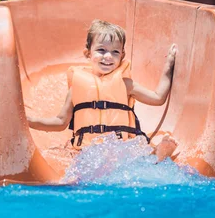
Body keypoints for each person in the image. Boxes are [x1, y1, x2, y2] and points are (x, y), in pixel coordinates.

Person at [27, 19, 178, 162]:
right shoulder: (77, 89)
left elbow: (158, 98)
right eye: (101, 50)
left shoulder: (126, 84)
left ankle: (157, 155)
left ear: (122, 56)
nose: (108, 56)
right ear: (88, 53)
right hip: (88, 152)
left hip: (122, 147)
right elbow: (60, 122)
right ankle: (155, 157)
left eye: (115, 52)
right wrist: (29, 121)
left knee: (135, 158)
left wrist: (168, 66)